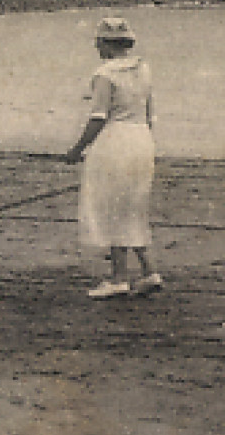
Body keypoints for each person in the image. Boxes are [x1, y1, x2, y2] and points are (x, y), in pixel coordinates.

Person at [63, 17, 162, 299]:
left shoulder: (104, 74)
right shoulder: (143, 68)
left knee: (112, 206)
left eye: (98, 41)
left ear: (106, 43)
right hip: (142, 139)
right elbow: (148, 112)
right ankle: (149, 271)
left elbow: (98, 117)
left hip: (115, 141)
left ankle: (119, 278)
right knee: (132, 205)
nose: (96, 46)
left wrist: (77, 149)